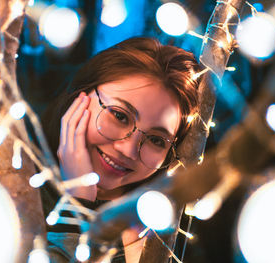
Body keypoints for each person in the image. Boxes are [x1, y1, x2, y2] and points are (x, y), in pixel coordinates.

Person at [41, 37, 207, 262]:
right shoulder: (13, 176)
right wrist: (78, 207)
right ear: (83, 94)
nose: (128, 150)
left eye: (157, 141)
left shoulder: (165, 234)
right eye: (119, 116)